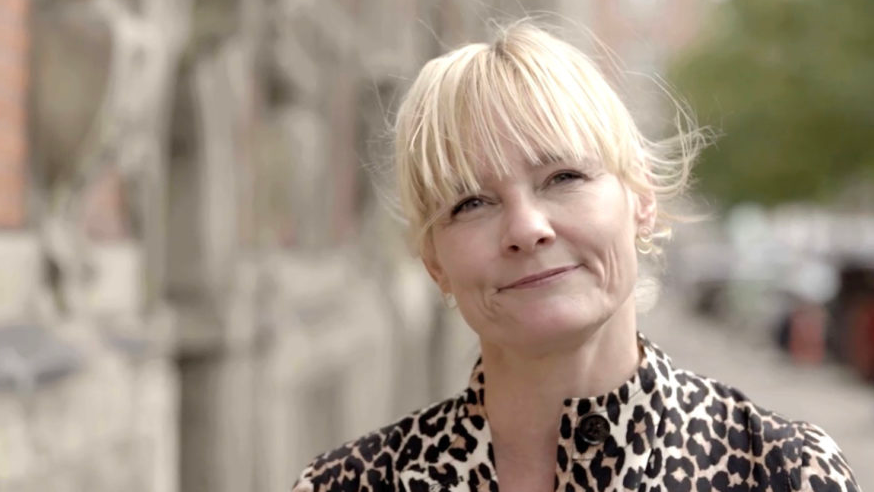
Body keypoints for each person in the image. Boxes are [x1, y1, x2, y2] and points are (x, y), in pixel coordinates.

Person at [292, 21, 859, 492]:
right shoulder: (348, 485)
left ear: (641, 197)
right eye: (470, 203)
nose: (526, 229)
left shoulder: (782, 472)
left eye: (563, 177)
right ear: (434, 261)